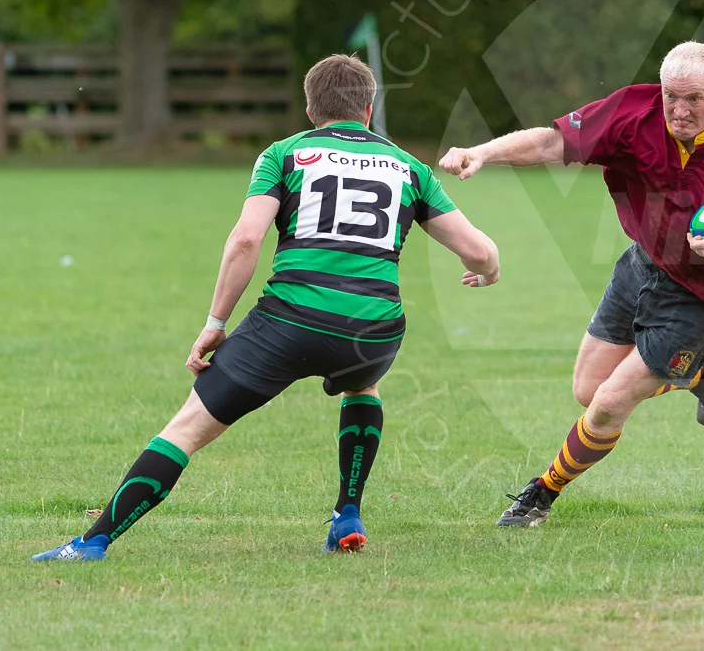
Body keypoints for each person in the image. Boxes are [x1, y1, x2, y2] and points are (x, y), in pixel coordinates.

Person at [33, 54, 501, 561]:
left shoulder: (285, 154)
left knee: (187, 427)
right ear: (369, 108)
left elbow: (244, 242)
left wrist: (216, 324)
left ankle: (93, 541)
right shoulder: (410, 167)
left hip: (289, 322)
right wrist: (489, 272)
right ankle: (347, 511)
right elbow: (481, 252)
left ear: (310, 109)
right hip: (374, 329)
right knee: (362, 383)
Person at [439, 41, 704, 527]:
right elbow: (550, 143)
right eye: (671, 97)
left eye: (694, 100)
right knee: (588, 389)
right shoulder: (631, 112)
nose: (679, 111)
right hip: (641, 265)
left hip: (701, 296)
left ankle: (540, 494)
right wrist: (483, 152)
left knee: (608, 404)